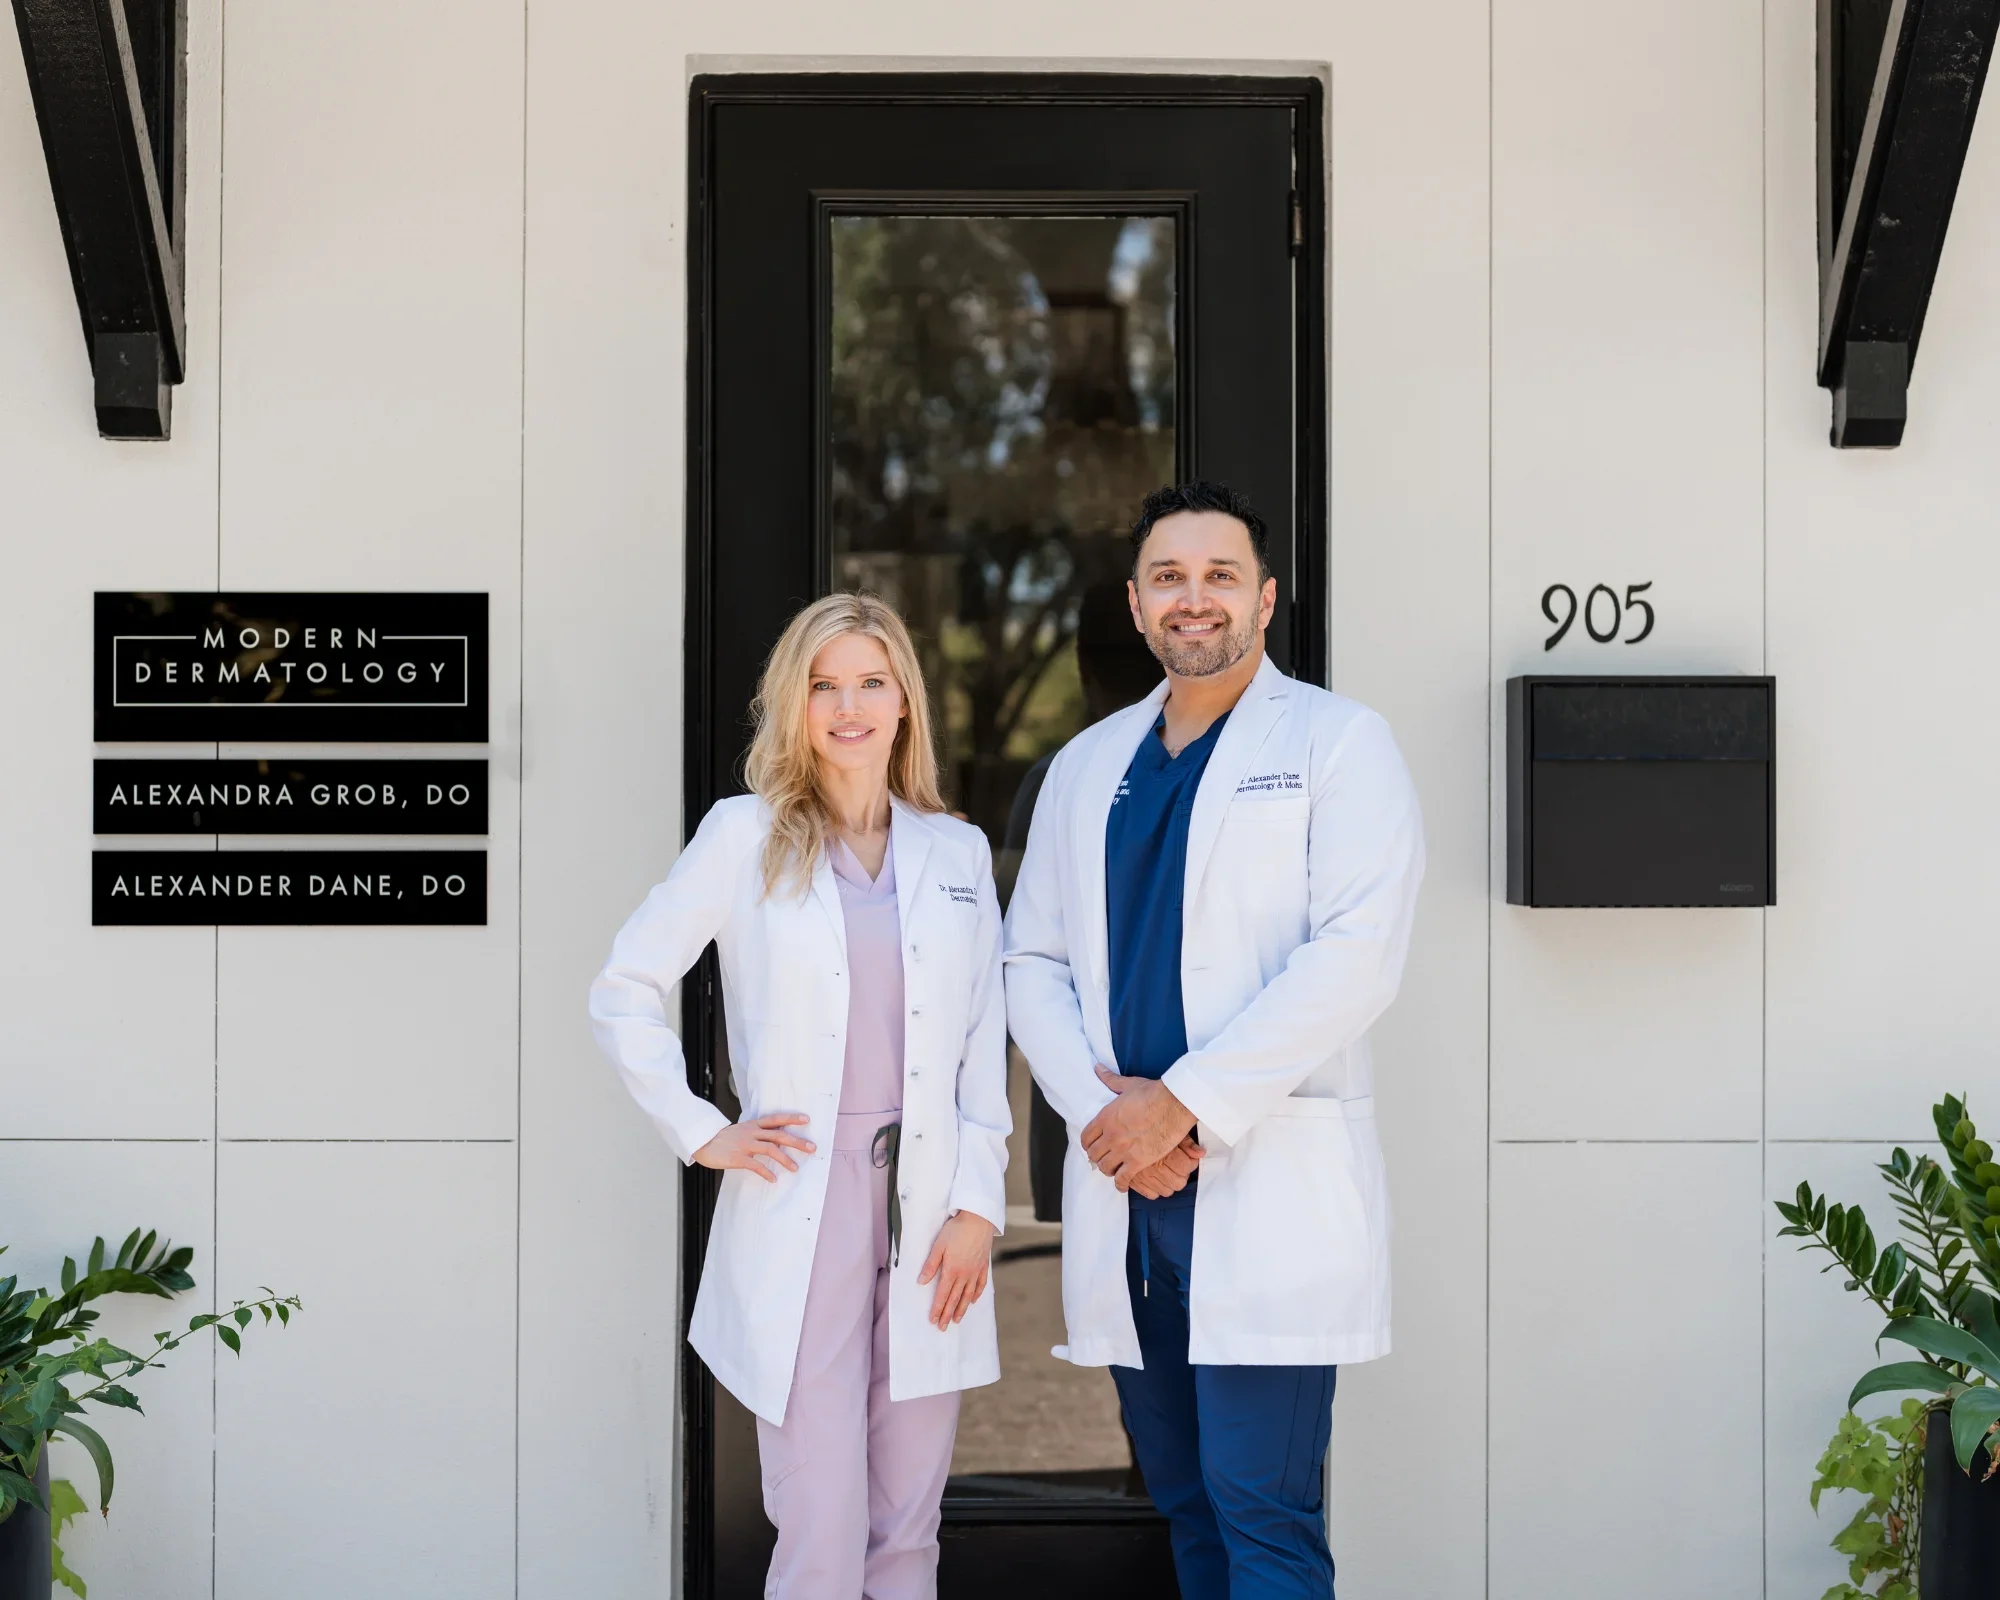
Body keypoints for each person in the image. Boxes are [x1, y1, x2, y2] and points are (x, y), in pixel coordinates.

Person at [1003, 482, 1425, 1598]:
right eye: (1170, 578)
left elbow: (1355, 957)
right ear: (1137, 606)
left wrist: (1179, 1104)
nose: (1196, 599)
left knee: (1261, 1511)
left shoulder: (1340, 745)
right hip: (1134, 1193)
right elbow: (1029, 962)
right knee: (1184, 1501)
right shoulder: (1086, 767)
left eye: (1220, 576)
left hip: (1257, 1171)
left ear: (1265, 599)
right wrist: (1111, 1120)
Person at [589, 592, 1010, 1600]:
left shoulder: (955, 854)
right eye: (825, 685)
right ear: (794, 704)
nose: (848, 706)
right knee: (819, 1523)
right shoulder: (744, 837)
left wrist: (979, 1210)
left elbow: (979, 1050)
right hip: (801, 1203)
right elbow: (623, 989)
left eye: (870, 681)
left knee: (907, 1525)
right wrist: (703, 1133)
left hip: (928, 1207)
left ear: (905, 699)